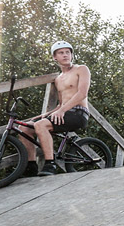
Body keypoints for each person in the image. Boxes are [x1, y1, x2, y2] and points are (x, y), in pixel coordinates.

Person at [20, 40, 91, 176]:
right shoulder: (58, 79)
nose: (65, 55)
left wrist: (62, 110)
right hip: (63, 112)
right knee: (24, 128)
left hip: (79, 113)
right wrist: (45, 114)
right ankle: (31, 166)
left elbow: (82, 93)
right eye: (61, 53)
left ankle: (50, 165)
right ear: (55, 57)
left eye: (68, 52)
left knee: (40, 125)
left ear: (71, 55)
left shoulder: (81, 69)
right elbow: (60, 104)